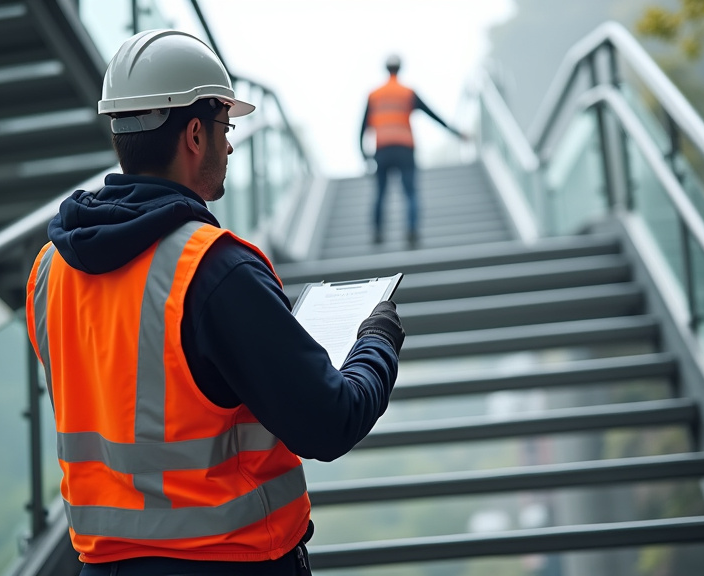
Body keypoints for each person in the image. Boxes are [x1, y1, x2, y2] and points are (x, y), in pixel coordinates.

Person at [24, 30, 404, 576]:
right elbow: (329, 422)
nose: (230, 145)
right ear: (195, 134)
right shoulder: (213, 269)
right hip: (229, 562)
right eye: (226, 127)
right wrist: (377, 342)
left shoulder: (47, 272)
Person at [360, 54, 468, 248]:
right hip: (404, 148)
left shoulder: (374, 95)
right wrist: (457, 133)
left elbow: (362, 128)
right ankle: (411, 231)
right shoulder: (407, 93)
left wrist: (363, 155)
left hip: (382, 149)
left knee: (380, 193)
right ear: (400, 68)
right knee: (410, 192)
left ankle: (377, 233)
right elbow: (434, 116)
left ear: (386, 69)